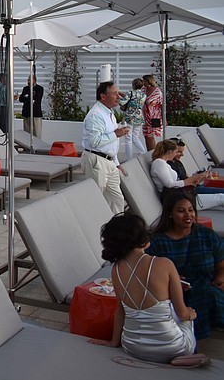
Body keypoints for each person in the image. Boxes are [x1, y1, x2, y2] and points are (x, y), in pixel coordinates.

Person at [88, 213, 197, 362]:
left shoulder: (116, 269)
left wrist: (114, 342)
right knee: (184, 318)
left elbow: (120, 310)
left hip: (132, 346)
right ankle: (185, 357)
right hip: (170, 346)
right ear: (141, 237)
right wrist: (191, 315)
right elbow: (183, 313)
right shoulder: (165, 264)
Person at [147, 193, 224, 340]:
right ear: (170, 213)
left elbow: (221, 266)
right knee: (206, 296)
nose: (188, 215)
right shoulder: (158, 242)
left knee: (209, 294)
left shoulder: (206, 235)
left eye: (190, 210)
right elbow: (148, 275)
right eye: (181, 211)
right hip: (172, 295)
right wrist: (172, 283)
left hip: (208, 287)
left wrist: (220, 280)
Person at [81, 81, 130, 215]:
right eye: (114, 94)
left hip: (109, 162)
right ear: (103, 96)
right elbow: (94, 141)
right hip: (97, 161)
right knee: (95, 198)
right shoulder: (95, 115)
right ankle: (92, 225)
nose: (118, 97)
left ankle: (117, 228)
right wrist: (116, 134)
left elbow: (110, 144)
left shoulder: (109, 113)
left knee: (117, 199)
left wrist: (116, 163)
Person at [149, 139, 224, 209]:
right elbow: (170, 184)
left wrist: (194, 179)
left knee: (221, 196)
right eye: (175, 152)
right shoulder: (159, 163)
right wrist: (190, 180)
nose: (175, 155)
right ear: (169, 152)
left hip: (180, 195)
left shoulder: (163, 163)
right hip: (175, 200)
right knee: (221, 198)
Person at [168, 137, 224, 206]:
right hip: (189, 193)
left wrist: (198, 176)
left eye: (182, 152)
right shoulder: (168, 166)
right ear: (171, 151)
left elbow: (187, 178)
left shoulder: (177, 162)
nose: (182, 155)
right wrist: (197, 178)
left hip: (195, 188)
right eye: (179, 152)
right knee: (221, 197)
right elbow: (177, 186)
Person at [118, 78, 147, 160]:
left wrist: (119, 96)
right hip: (139, 117)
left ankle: (129, 158)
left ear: (133, 85)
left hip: (130, 117)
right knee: (135, 137)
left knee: (128, 139)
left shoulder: (130, 93)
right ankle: (143, 154)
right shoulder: (143, 95)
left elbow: (122, 102)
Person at [143, 74, 163, 151]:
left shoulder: (157, 92)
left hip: (155, 116)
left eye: (144, 81)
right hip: (145, 116)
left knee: (152, 135)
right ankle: (149, 152)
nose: (143, 82)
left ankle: (154, 152)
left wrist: (164, 117)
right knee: (147, 135)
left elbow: (162, 104)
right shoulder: (143, 90)